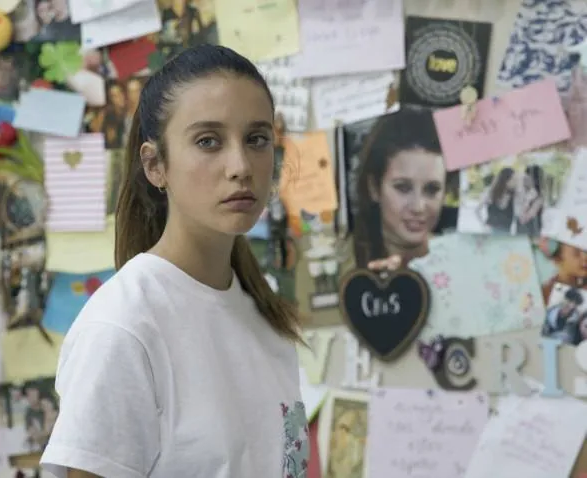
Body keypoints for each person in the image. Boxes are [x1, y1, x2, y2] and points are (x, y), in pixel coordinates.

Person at [40, 44, 307, 478]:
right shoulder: (122, 328)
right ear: (155, 165)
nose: (240, 166)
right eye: (208, 141)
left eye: (256, 139)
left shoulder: (266, 316)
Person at [352, 108, 449, 268]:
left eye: (431, 190)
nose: (418, 207)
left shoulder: (458, 263)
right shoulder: (339, 265)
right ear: (374, 187)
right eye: (403, 188)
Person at [477, 167, 517, 234]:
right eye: (513, 179)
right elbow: (477, 210)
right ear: (506, 180)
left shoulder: (513, 194)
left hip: (506, 232)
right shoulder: (491, 193)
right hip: (491, 231)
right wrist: (484, 225)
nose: (515, 181)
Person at [516, 165, 544, 236]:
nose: (524, 179)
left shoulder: (538, 197)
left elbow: (523, 219)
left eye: (526, 177)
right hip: (524, 232)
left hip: (532, 233)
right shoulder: (526, 193)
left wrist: (527, 200)